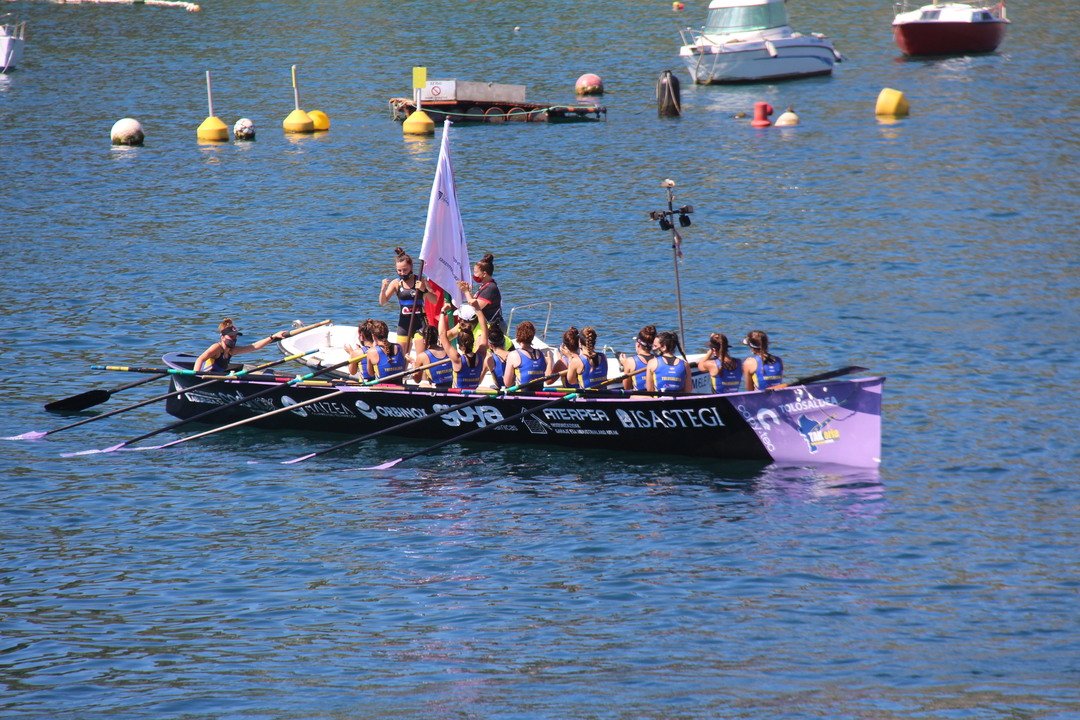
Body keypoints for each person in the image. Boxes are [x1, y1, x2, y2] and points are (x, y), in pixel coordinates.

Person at [378, 247, 435, 346]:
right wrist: (383, 289)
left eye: (405, 270)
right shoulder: (396, 283)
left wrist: (424, 290)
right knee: (402, 354)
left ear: (411, 267)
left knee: (421, 353)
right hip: (404, 324)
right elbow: (383, 302)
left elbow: (435, 300)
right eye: (399, 270)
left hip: (420, 323)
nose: (402, 273)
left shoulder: (421, 280)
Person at [195, 318, 286, 373]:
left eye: (235, 336)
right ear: (222, 337)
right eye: (231, 336)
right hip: (204, 377)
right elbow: (200, 359)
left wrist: (273, 337)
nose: (234, 338)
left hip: (216, 379)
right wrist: (195, 376)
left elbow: (254, 346)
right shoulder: (217, 348)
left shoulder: (232, 350)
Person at [439, 303, 489, 390]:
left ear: (459, 345)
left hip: (457, 396)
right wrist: (478, 308)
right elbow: (485, 328)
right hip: (474, 394)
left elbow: (442, 335)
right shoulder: (481, 355)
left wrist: (442, 312)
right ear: (473, 341)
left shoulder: (457, 359)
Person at [456, 252, 505, 332]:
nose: (474, 275)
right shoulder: (484, 286)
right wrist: (468, 291)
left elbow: (475, 307)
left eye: (476, 272)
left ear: (484, 274)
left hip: (494, 328)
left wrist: (466, 292)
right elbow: (475, 303)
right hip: (487, 325)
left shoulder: (490, 288)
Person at [503, 320, 552, 388]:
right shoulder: (541, 354)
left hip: (521, 393)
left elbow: (507, 383)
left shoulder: (514, 355)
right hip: (538, 393)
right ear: (532, 336)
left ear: (518, 335)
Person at [366, 319, 408, 384]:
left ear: (373, 336)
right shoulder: (399, 347)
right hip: (399, 386)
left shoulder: (372, 351)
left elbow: (371, 374)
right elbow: (403, 368)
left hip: (381, 388)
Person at [620, 324, 657, 391]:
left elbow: (627, 388)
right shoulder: (659, 359)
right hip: (656, 395)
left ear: (638, 344)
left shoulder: (630, 361)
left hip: (639, 395)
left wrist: (625, 365)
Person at [483, 323, 514, 389]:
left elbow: (478, 381)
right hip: (515, 390)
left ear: (490, 344)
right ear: (504, 341)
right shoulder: (515, 355)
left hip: (501, 391)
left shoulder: (489, 359)